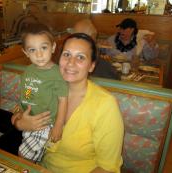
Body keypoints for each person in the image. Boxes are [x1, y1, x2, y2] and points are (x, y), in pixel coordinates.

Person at [12, 33, 124, 173]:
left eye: (80, 57)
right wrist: (19, 123)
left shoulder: (106, 105)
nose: (71, 63)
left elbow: (107, 168)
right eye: (66, 55)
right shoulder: (43, 82)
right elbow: (20, 108)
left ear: (91, 66)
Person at [11, 23, 68, 162]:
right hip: (29, 118)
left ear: (53, 47)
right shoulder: (28, 71)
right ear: (25, 52)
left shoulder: (57, 73)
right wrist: (20, 110)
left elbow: (63, 100)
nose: (39, 54)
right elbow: (28, 92)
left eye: (44, 47)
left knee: (23, 156)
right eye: (32, 50)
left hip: (45, 123)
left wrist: (58, 126)